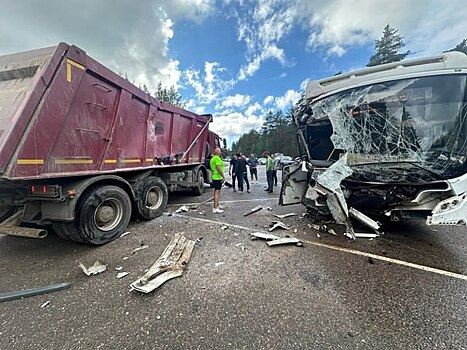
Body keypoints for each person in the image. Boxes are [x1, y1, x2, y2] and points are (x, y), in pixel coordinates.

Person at [210, 147, 225, 213]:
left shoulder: (212, 158)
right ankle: (215, 208)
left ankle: (217, 205)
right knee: (217, 192)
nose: (220, 152)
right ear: (218, 152)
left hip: (215, 177)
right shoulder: (217, 158)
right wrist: (223, 176)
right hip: (217, 177)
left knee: (217, 192)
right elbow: (218, 168)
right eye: (220, 151)